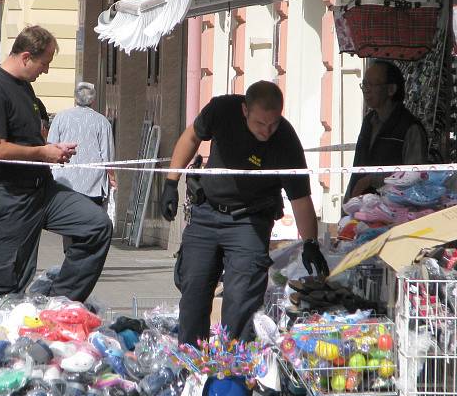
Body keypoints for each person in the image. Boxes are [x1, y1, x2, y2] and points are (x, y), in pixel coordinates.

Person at [159, 81, 329, 347]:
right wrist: (171, 183)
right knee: (194, 292)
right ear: (244, 110)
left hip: (249, 222)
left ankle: (234, 369)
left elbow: (300, 198)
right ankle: (191, 364)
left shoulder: (285, 140)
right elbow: (192, 136)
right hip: (207, 213)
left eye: (273, 123)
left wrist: (310, 243)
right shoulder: (222, 109)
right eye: (261, 123)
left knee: (241, 301)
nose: (267, 131)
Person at [0, 25, 113, 313]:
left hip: (43, 190)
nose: (45, 70)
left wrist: (53, 150)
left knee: (96, 225)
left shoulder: (25, 88)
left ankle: (57, 305)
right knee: (8, 285)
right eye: (44, 63)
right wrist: (43, 152)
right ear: (25, 57)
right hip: (9, 195)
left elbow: (34, 136)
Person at [345, 60, 427, 201]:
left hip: (393, 213)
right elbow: (357, 168)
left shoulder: (410, 128)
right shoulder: (368, 121)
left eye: (372, 84)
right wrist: (347, 202)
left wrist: (372, 180)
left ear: (391, 89)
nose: (366, 89)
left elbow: (415, 177)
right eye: (364, 84)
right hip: (361, 210)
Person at [47, 81, 117, 206]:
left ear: (75, 97)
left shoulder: (60, 117)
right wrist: (111, 177)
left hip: (64, 181)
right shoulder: (102, 122)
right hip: (92, 184)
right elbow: (107, 154)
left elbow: (50, 146)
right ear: (93, 100)